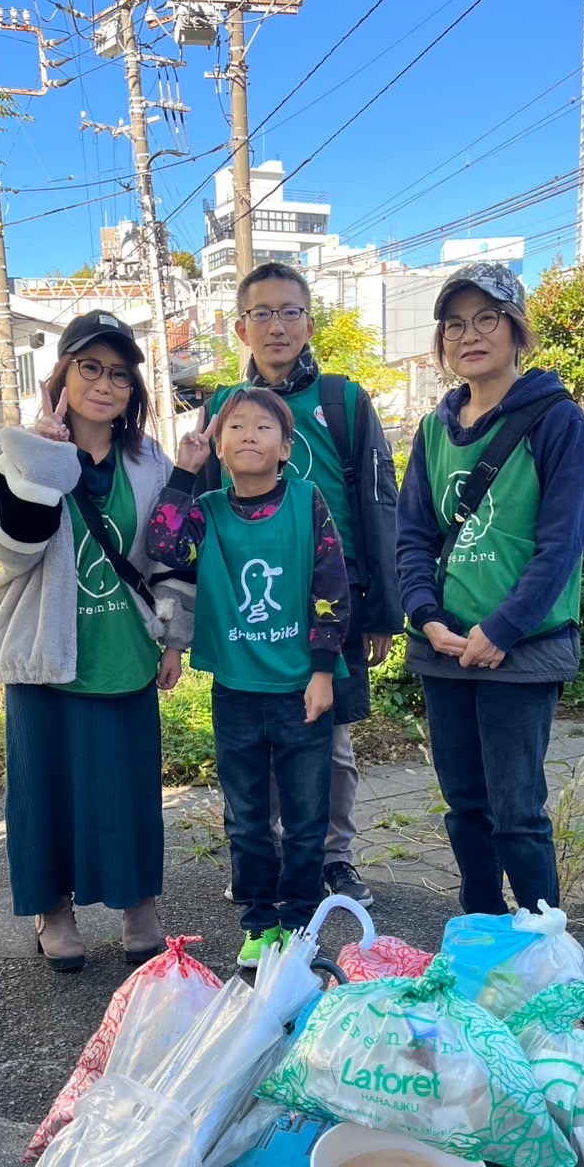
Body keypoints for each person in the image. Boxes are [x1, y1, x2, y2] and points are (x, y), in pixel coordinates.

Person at [0, 311, 195, 970]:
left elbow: (171, 551)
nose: (105, 383)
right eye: (89, 366)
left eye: (119, 373)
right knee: (45, 788)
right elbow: (12, 546)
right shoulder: (21, 452)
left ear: (133, 390)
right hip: (43, 651)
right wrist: (44, 453)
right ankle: (52, 911)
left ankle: (137, 904)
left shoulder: (148, 463)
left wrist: (173, 638)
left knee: (129, 787)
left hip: (124, 648)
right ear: (61, 373)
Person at [192, 262, 399, 909]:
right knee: (258, 745)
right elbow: (200, 515)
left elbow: (377, 501)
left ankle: (334, 858)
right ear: (240, 327)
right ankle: (266, 857)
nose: (276, 325)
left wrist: (382, 610)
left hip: (328, 610)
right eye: (262, 313)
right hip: (251, 623)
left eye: (289, 312)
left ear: (309, 323)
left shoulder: (342, 400)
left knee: (330, 742)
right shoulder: (220, 406)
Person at [396, 262, 584, 915]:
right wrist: (426, 616)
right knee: (466, 808)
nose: (469, 335)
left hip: (523, 649)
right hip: (446, 650)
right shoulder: (431, 430)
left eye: (487, 318)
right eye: (454, 324)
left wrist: (500, 629)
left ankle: (546, 945)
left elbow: (560, 543)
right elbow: (413, 537)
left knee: (516, 811)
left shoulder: (556, 420)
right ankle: (479, 930)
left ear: (516, 329)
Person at [147, 387, 350, 967]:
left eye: (264, 428)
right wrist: (185, 471)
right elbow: (163, 542)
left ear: (286, 447)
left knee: (309, 818)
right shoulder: (207, 511)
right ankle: (260, 924)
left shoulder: (308, 501)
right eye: (235, 427)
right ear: (218, 444)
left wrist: (322, 671)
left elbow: (331, 590)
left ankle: (300, 923)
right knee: (247, 821)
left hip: (300, 690)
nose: (249, 436)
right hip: (235, 690)